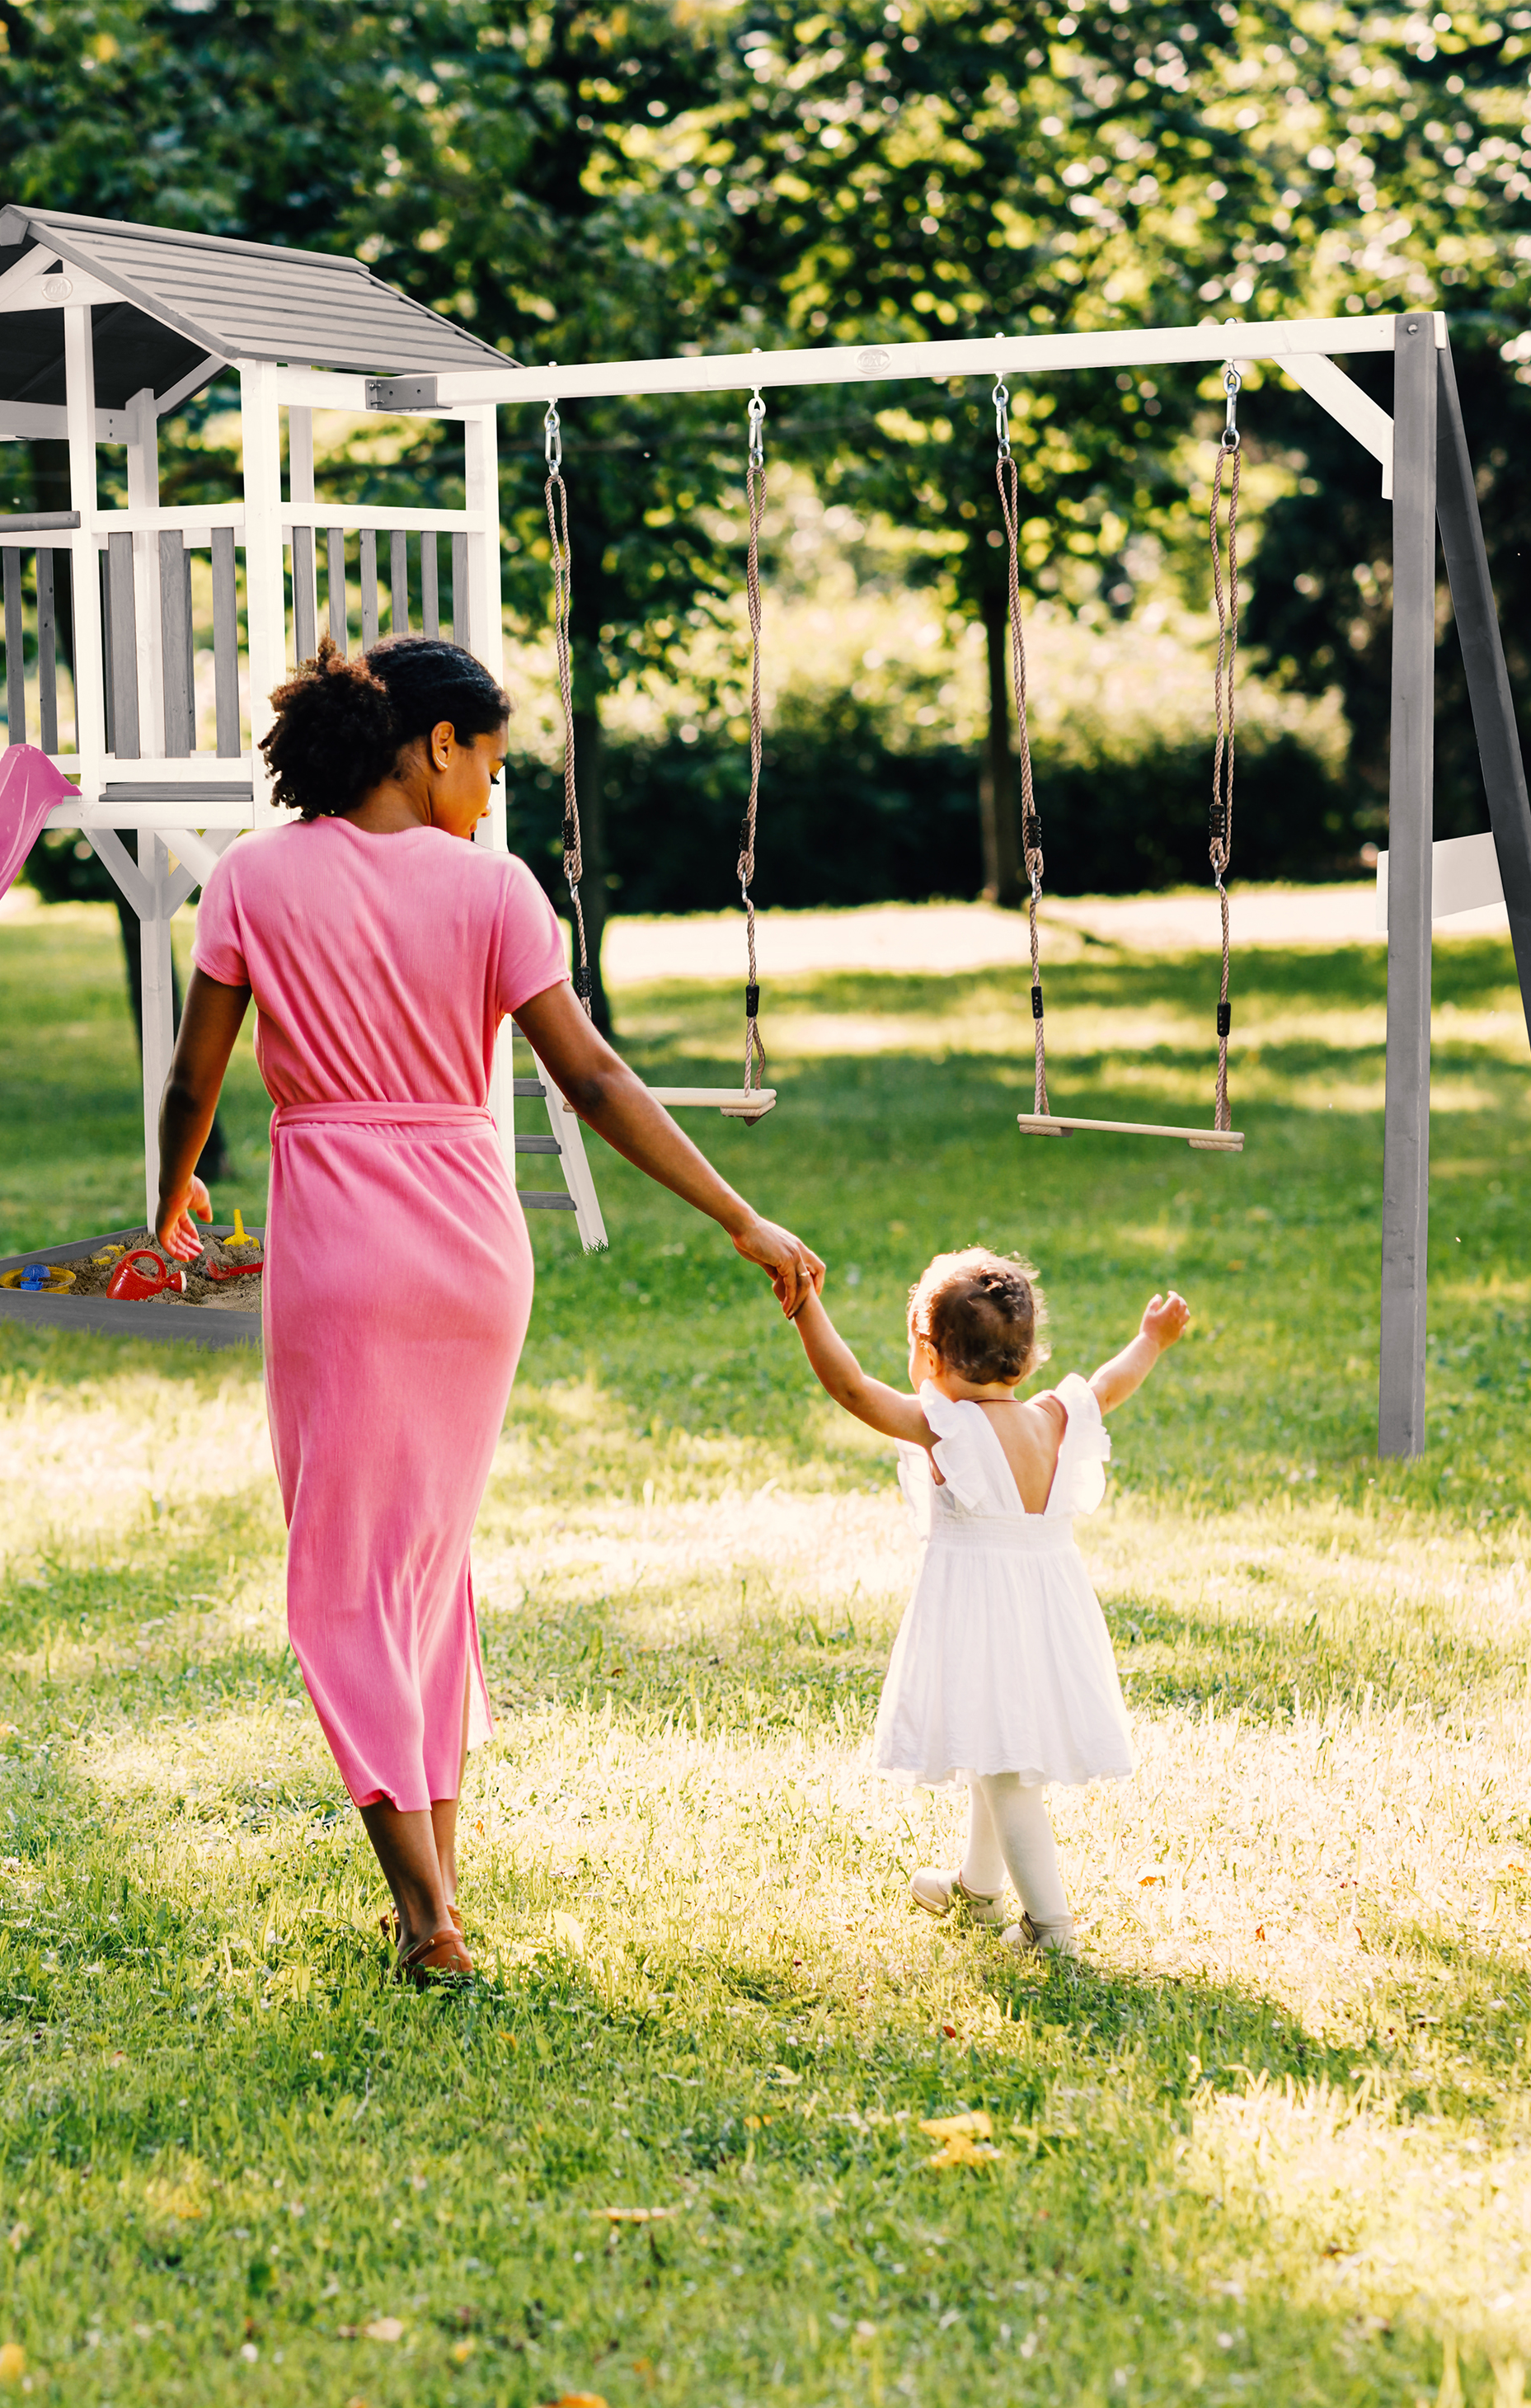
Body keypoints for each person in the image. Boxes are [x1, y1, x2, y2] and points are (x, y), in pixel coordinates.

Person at [154, 636, 824, 1982]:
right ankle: (439, 1888)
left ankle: (425, 1915)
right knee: (423, 1569)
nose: (493, 794)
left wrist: (167, 1198)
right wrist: (738, 1213)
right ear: (434, 743)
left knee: (345, 1578)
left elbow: (195, 1078)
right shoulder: (496, 891)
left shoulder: (252, 878)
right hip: (471, 1248)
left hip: (341, 1247)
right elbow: (593, 1081)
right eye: (492, 764)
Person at [785, 1248, 1191, 1955]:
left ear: (929, 1354)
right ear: (1028, 1359)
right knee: (990, 1744)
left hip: (983, 1616)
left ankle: (1050, 1927)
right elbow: (1110, 1382)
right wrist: (1150, 1340)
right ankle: (977, 1889)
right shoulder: (1054, 1417)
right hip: (1047, 1613)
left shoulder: (947, 1429)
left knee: (1005, 1772)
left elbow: (850, 1388)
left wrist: (805, 1305)